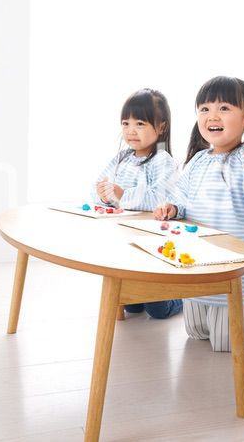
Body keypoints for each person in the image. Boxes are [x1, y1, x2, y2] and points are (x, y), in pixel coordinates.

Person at [154, 76, 244, 351]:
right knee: (197, 332)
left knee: (232, 343)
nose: (212, 115)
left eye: (224, 108)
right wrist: (173, 207)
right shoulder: (199, 160)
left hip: (238, 277)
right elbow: (181, 196)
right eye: (204, 109)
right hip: (199, 270)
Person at [92, 88, 182, 319]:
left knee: (157, 310)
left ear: (161, 127)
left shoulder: (163, 161)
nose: (131, 131)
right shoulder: (121, 158)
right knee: (131, 304)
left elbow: (159, 199)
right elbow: (100, 187)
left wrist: (122, 195)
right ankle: (136, 298)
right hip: (123, 241)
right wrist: (103, 195)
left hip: (150, 243)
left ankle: (183, 298)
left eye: (140, 123)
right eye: (125, 123)